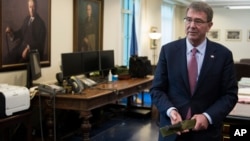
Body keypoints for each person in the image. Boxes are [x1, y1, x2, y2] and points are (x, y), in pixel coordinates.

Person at [150, 1, 238, 141]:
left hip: (206, 133)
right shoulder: (168, 51)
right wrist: (170, 111)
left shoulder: (223, 55)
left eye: (198, 21)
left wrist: (208, 116)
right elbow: (157, 89)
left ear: (209, 25)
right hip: (173, 131)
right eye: (188, 20)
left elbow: (230, 95)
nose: (192, 26)